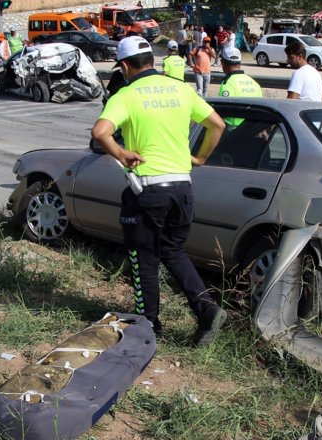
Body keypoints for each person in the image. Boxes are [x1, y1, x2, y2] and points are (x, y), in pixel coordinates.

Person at [90, 36, 227, 346]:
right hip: (182, 188)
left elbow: (100, 132)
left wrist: (120, 153)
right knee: (173, 251)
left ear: (124, 66)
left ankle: (147, 323)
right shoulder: (181, 89)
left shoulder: (127, 94)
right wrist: (201, 157)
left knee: (143, 257)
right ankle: (206, 310)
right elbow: (217, 125)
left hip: (148, 191)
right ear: (151, 60)